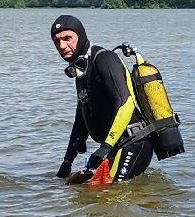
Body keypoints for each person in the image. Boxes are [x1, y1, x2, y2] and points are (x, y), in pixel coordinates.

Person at [50, 14, 154, 185]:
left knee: (106, 193)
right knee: (88, 195)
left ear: (80, 36)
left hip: (134, 143)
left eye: (67, 38)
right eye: (56, 42)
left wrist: (105, 147)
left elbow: (125, 103)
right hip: (114, 147)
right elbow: (80, 121)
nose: (62, 46)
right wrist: (67, 162)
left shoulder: (105, 59)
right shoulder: (81, 72)